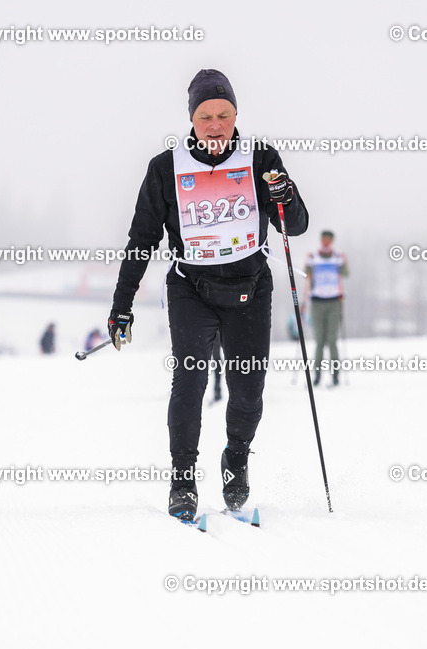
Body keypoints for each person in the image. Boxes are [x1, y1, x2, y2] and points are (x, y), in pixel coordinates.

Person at [107, 68, 310, 521]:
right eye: (205, 116)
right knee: (191, 380)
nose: (215, 124)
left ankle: (235, 460)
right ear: (192, 119)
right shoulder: (166, 167)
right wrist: (122, 306)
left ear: (236, 115)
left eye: (224, 114)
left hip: (251, 287)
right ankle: (183, 480)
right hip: (191, 289)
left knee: (248, 389)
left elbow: (293, 225)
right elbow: (142, 239)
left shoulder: (261, 157)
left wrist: (286, 194)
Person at [305, 230, 348, 386]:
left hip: (334, 302)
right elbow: (306, 275)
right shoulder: (314, 258)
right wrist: (307, 264)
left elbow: (345, 273)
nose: (326, 242)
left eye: (329, 240)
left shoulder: (337, 258)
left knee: (332, 340)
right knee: (319, 341)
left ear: (332, 241)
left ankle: (335, 376)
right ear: (321, 240)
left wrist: (344, 262)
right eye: (324, 239)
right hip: (317, 302)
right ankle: (317, 376)